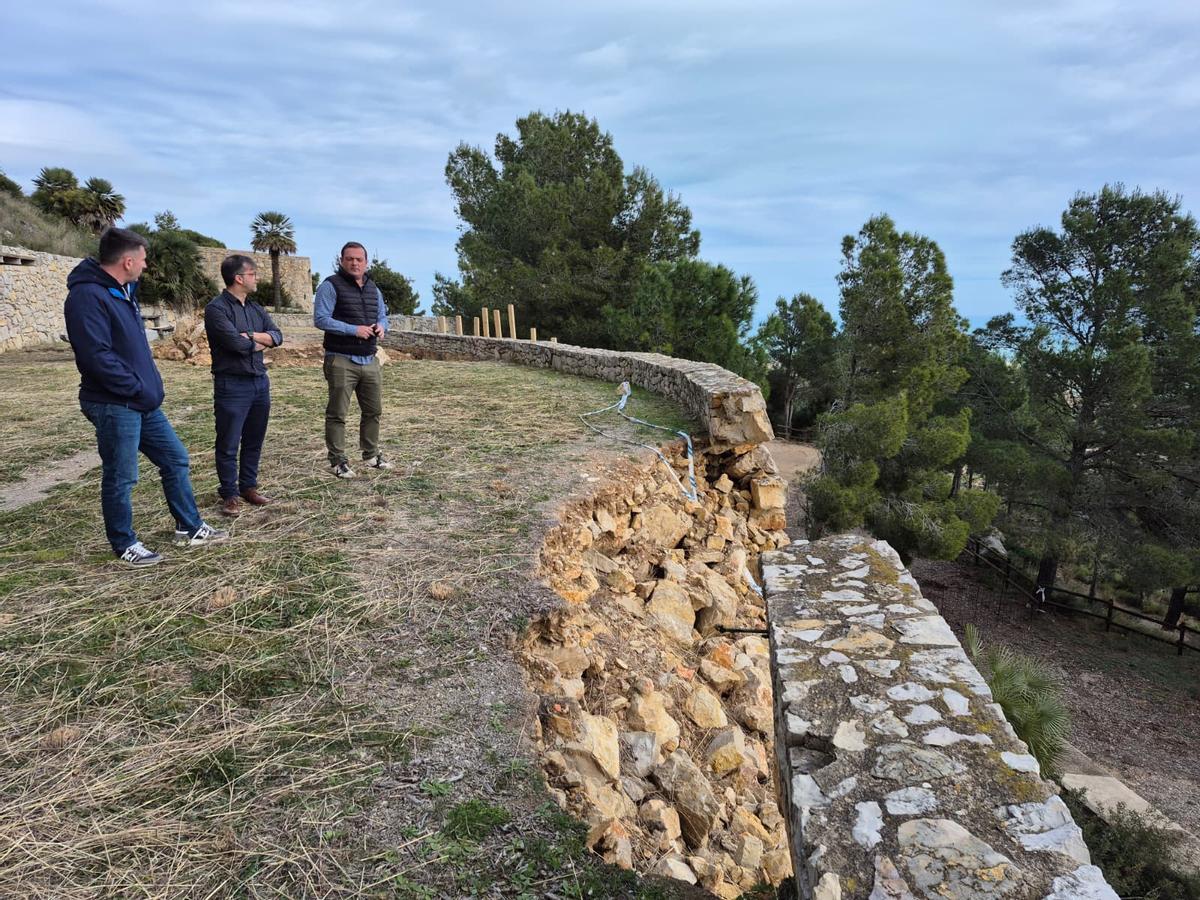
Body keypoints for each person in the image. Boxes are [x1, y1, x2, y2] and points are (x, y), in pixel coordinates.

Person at [64, 227, 228, 566]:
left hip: (141, 402)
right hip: (115, 402)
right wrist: (137, 387)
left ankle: (190, 526)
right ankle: (124, 543)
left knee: (175, 459)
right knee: (122, 475)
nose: (146, 266)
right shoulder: (88, 297)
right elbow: (96, 357)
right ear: (127, 261)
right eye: (142, 259)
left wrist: (146, 389)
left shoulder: (122, 291)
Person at [203, 254, 283, 517]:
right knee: (228, 441)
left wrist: (250, 337)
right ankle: (229, 494)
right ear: (239, 278)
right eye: (252, 274)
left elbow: (277, 336)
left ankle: (249, 487)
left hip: (259, 382)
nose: (256, 278)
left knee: (254, 439)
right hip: (232, 385)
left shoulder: (256, 308)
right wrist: (259, 342)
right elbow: (236, 346)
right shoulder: (217, 309)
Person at [314, 241, 392, 478]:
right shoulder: (330, 286)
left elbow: (383, 316)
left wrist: (381, 326)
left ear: (366, 262)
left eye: (359, 259)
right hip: (341, 358)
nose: (354, 263)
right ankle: (338, 461)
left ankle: (370, 455)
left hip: (370, 359)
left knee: (373, 410)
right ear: (342, 261)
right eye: (350, 259)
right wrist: (353, 329)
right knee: (338, 413)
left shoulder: (372, 288)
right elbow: (320, 319)